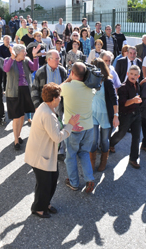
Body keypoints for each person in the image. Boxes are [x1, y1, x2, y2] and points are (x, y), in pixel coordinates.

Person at [25, 83, 82, 218]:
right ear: (54, 98)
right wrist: (70, 126)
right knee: (45, 184)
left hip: (44, 154)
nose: (61, 99)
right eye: (59, 97)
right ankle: (38, 208)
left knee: (50, 180)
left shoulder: (45, 108)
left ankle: (45, 204)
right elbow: (57, 137)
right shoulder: (48, 114)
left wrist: (70, 126)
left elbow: (55, 129)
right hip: (42, 155)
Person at [61, 62, 96, 193]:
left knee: (71, 155)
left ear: (72, 73)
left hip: (73, 128)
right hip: (89, 127)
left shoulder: (67, 87)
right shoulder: (90, 88)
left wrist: (68, 79)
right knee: (84, 153)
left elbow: (56, 90)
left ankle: (74, 182)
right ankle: (89, 179)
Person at [31, 50, 68, 161]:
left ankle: (60, 151)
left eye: (59, 58)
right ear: (48, 59)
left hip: (59, 107)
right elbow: (34, 90)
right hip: (45, 108)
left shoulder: (62, 71)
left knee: (59, 129)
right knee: (45, 131)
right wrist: (37, 106)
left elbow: (66, 88)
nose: (59, 60)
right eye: (56, 59)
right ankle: (45, 151)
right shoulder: (40, 72)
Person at [3, 44, 40, 149]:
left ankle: (18, 135)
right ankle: (16, 140)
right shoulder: (8, 60)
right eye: (24, 51)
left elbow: (35, 68)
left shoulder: (26, 60)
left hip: (25, 90)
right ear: (18, 52)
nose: (26, 53)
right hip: (14, 92)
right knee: (16, 117)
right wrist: (12, 57)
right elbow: (6, 69)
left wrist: (35, 56)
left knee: (22, 115)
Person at [109, 65, 143, 169]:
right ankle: (110, 143)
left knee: (136, 137)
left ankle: (133, 159)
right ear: (128, 74)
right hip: (126, 115)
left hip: (137, 114)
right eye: (131, 74)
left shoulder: (138, 85)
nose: (133, 76)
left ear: (138, 76)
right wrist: (133, 100)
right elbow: (123, 104)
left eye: (135, 74)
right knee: (121, 133)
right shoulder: (123, 87)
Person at [90, 58, 119, 172]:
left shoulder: (108, 81)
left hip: (106, 115)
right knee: (93, 140)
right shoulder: (90, 80)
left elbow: (114, 99)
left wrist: (116, 115)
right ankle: (91, 163)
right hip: (93, 114)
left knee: (104, 140)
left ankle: (103, 161)